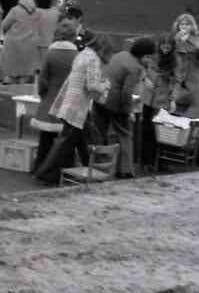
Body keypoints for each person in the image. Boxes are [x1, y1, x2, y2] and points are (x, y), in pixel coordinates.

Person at [33, 30, 110, 184]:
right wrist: (105, 85)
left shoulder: (82, 55)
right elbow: (92, 85)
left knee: (75, 141)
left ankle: (91, 170)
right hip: (78, 107)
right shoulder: (93, 59)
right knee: (64, 144)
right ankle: (45, 173)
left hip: (69, 103)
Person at [93, 37, 153, 178]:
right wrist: (129, 111)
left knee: (101, 132)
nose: (149, 60)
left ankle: (99, 164)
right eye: (149, 57)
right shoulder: (135, 68)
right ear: (143, 55)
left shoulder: (121, 55)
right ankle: (125, 170)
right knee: (125, 134)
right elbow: (126, 93)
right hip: (115, 102)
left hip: (100, 97)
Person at [33, 21, 78, 171]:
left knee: (45, 139)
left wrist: (43, 95)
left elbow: (42, 81)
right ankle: (61, 169)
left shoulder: (50, 54)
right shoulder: (77, 56)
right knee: (65, 141)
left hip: (50, 101)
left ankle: (40, 167)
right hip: (69, 102)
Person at [139, 33, 177, 167]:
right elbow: (140, 68)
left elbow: (174, 82)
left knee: (158, 130)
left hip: (161, 99)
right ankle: (144, 160)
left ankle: (157, 160)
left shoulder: (174, 62)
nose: (165, 50)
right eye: (163, 47)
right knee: (146, 128)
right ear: (159, 46)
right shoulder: (151, 57)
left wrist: (172, 100)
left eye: (168, 48)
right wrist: (145, 79)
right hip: (148, 97)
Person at [0, 0, 41, 84]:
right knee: (25, 75)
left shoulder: (15, 10)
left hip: (13, 46)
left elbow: (4, 25)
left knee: (11, 74)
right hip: (30, 46)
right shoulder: (38, 12)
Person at [171, 13, 199, 112]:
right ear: (178, 25)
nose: (184, 26)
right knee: (168, 106)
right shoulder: (172, 38)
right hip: (174, 75)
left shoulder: (197, 40)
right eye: (181, 24)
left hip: (189, 78)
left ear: (192, 26)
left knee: (182, 106)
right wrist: (176, 41)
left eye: (187, 24)